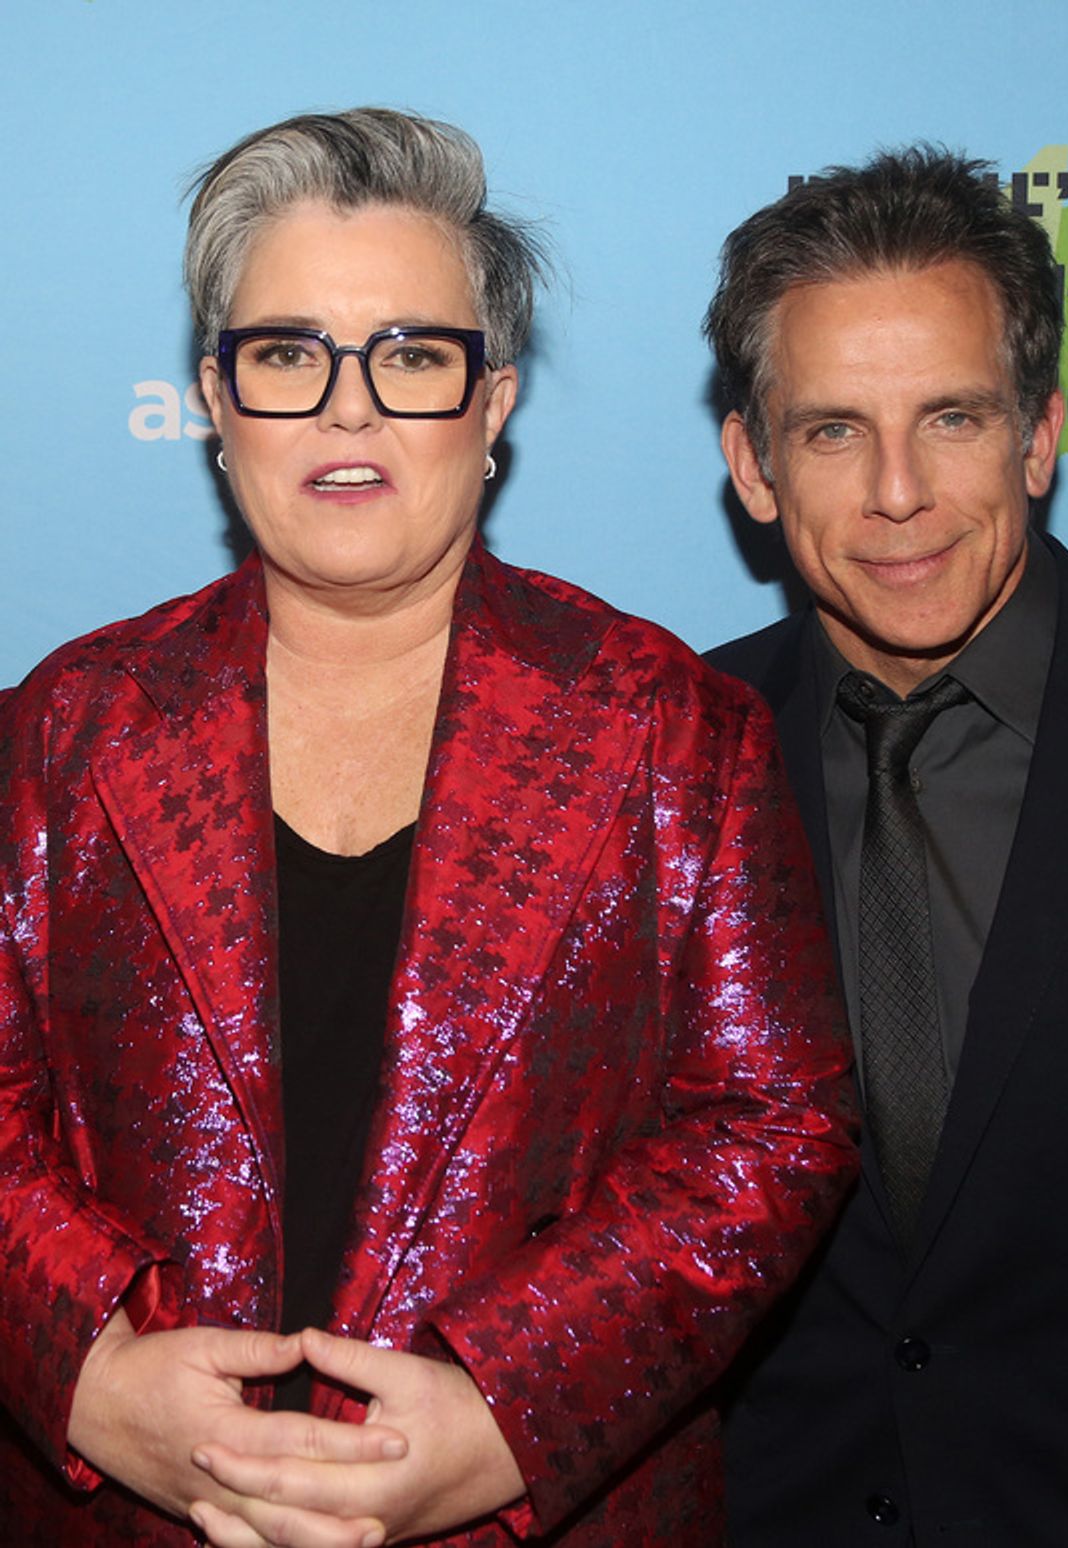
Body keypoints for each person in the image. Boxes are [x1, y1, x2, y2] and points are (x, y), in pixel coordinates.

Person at [0, 108, 858, 1547]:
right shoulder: (63, 730)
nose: (349, 410)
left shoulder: (672, 729)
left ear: (494, 405)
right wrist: (87, 1371)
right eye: (288, 355)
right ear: (218, 401)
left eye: (411, 356)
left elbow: (773, 1126)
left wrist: (510, 1409)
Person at [705, 146, 1068, 1546]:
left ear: (1041, 435)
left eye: (955, 419)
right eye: (831, 430)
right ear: (752, 463)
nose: (900, 493)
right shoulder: (667, 757)